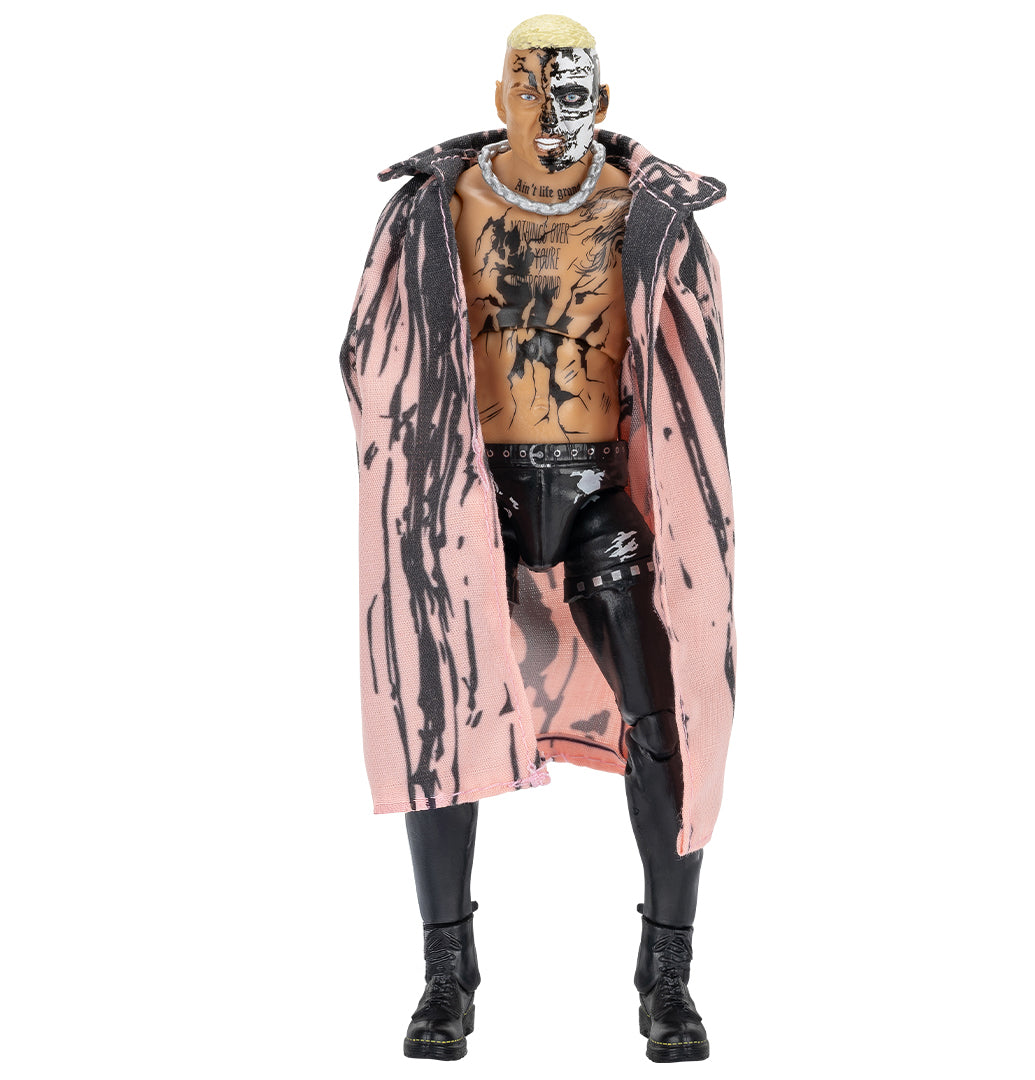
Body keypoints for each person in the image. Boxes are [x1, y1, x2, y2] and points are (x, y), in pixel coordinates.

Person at [340, 14, 736, 1063]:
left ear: (599, 102)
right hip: (474, 496)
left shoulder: (646, 213)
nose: (550, 111)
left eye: (571, 93)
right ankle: (447, 976)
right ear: (499, 95)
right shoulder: (435, 210)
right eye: (530, 87)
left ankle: (667, 977)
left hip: (602, 488)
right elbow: (374, 353)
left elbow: (694, 366)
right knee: (440, 720)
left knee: (670, 718)